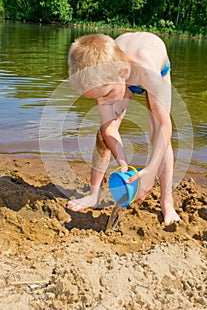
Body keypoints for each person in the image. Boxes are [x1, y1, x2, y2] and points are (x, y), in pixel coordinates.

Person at [67, 32, 180, 225]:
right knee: (103, 135)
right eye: (98, 98)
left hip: (156, 70)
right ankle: (93, 194)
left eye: (106, 94)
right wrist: (123, 163)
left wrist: (150, 172)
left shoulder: (147, 70)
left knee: (158, 135)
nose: (103, 102)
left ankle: (167, 201)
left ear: (123, 75)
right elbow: (109, 129)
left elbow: (165, 126)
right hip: (119, 75)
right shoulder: (104, 76)